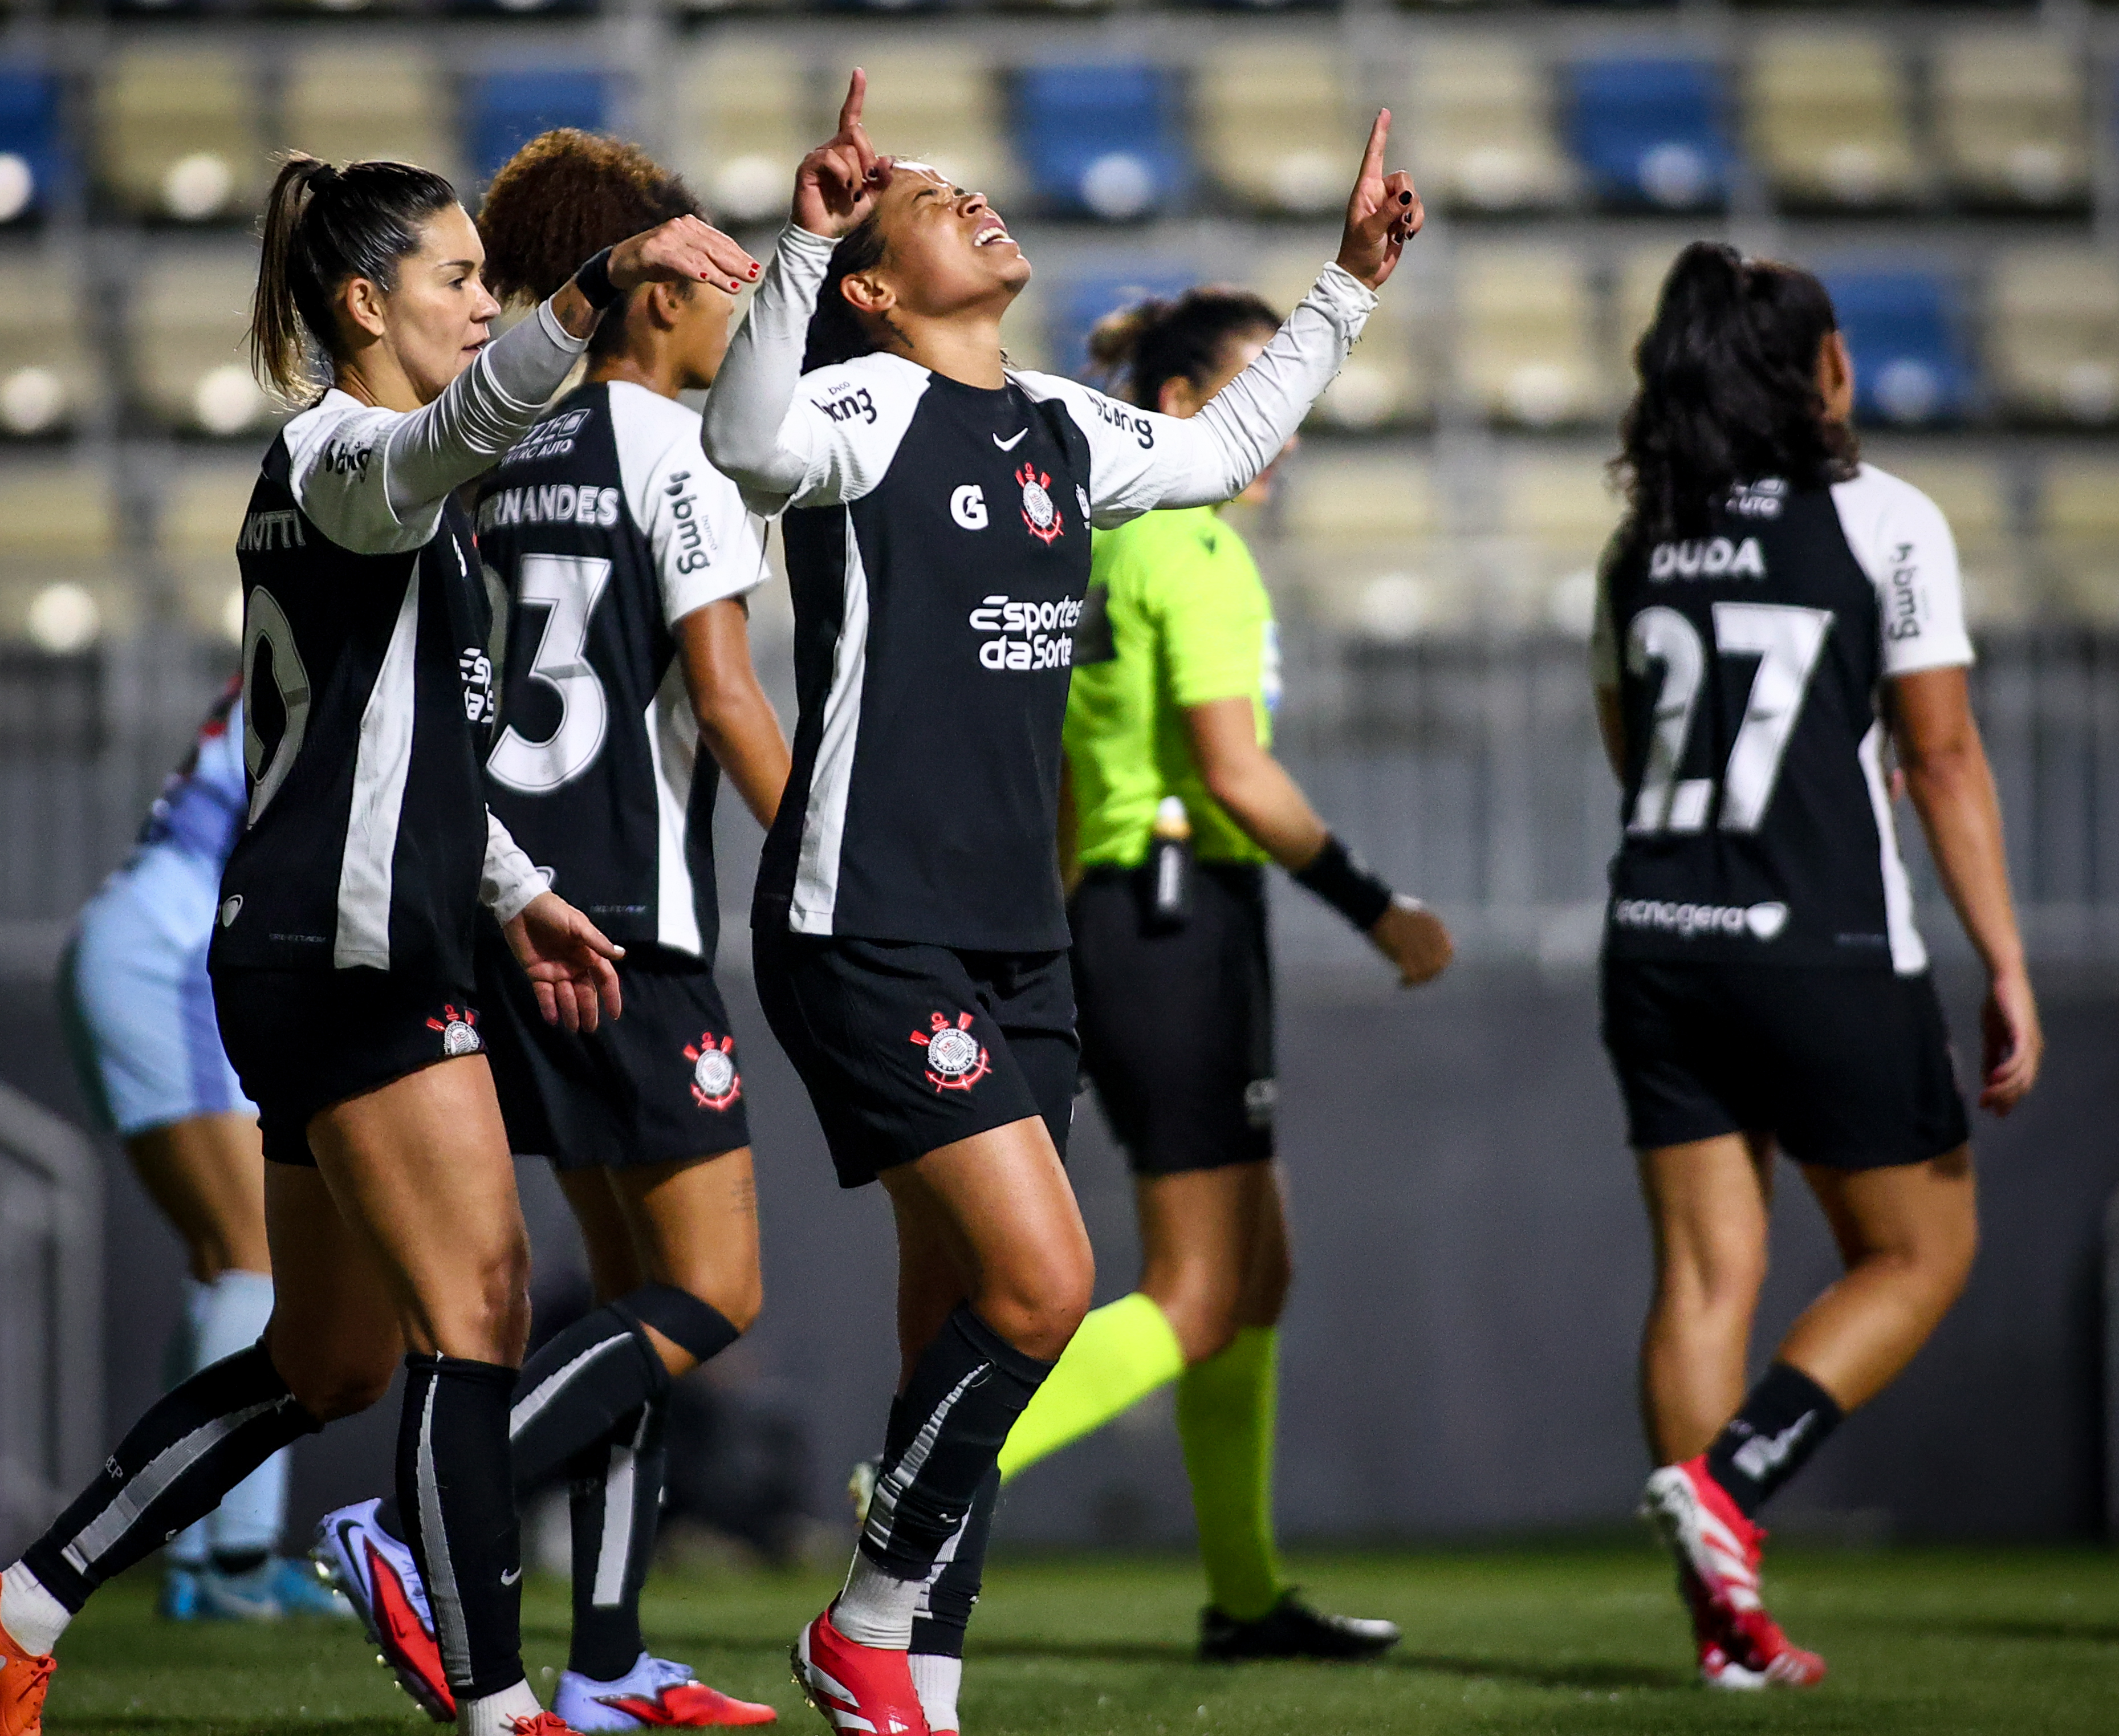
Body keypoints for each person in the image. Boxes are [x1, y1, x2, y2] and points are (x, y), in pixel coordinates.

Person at [699, 71, 1421, 1736]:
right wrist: (802, 253)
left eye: (968, 188)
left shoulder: (1059, 425)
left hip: (1016, 934)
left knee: (959, 1317)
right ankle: (864, 1621)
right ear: (875, 285)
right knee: (1039, 1286)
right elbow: (746, 441)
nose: (971, 200)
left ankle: (917, 1688)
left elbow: (1232, 439)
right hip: (865, 915)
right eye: (929, 201)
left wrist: (1347, 283)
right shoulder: (865, 404)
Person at [0, 154, 760, 1736]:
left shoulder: (387, 479)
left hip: (313, 942)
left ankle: (24, 1604)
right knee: (474, 1314)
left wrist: (512, 884)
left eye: (496, 277)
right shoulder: (353, 453)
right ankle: (496, 1701)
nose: (483, 303)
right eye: (459, 277)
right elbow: (458, 431)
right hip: (352, 959)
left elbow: (386, 743)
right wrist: (594, 282)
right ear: (365, 303)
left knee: (327, 1358)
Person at [311, 131, 786, 1733]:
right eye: (712, 277)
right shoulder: (672, 447)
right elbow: (721, 694)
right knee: (713, 1286)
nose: (731, 311)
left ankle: (604, 1656)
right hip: (630, 924)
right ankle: (418, 1522)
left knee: (626, 1293)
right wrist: (834, 854)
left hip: (497, 906)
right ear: (650, 282)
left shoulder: (474, 441)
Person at [980, 286, 1453, 1662]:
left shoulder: (1091, 540)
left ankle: (1243, 1596)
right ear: (1178, 406)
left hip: (1122, 923)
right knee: (1197, 1287)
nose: (1284, 431)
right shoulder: (1190, 543)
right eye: (1262, 390)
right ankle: (934, 1471)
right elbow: (1237, 774)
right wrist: (1376, 905)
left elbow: (1068, 768)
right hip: (1178, 927)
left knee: (1256, 1275)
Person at [1593, 241, 2041, 1689]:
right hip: (1823, 942)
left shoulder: (1639, 536)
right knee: (1921, 1248)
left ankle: (1723, 1634)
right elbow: (1941, 750)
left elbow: (1633, 749)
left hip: (1658, 938)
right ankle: (1733, 1487)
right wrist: (2006, 963)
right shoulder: (1883, 518)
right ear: (1815, 366)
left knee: (1703, 1278)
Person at [55, 680, 349, 1623]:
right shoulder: (365, 640)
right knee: (253, 1252)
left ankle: (199, 1552)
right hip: (177, 945)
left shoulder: (305, 626)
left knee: (226, 1259)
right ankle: (235, 1559)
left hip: (149, 929)